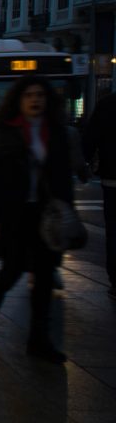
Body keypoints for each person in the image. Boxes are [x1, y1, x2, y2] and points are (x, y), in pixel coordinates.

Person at [0, 75, 74, 363]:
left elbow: (63, 177)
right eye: (29, 95)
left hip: (45, 214)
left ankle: (39, 339)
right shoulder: (6, 131)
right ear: (19, 100)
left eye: (40, 95)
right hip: (15, 213)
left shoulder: (55, 132)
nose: (35, 100)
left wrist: (67, 215)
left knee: (44, 276)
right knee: (14, 268)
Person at [83, 92, 116, 300]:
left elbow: (90, 139)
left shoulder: (107, 105)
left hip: (112, 179)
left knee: (113, 232)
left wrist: (86, 164)